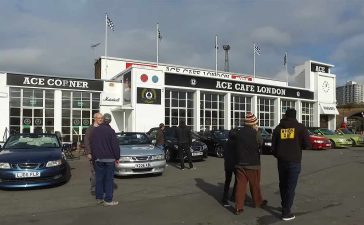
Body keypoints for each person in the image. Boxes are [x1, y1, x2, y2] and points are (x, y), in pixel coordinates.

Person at [272, 108, 310, 221]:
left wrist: (279, 155)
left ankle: (285, 205)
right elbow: (307, 144)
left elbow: (273, 147)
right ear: (295, 116)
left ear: (285, 115)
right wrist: (298, 147)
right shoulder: (300, 128)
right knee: (290, 187)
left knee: (283, 184)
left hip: (281, 161)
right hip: (294, 161)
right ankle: (286, 212)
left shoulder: (278, 128)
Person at [234, 112, 267, 215]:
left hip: (239, 163)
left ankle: (238, 207)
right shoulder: (255, 133)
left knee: (240, 185)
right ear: (253, 123)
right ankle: (258, 202)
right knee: (255, 184)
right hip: (253, 163)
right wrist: (257, 132)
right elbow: (262, 143)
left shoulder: (238, 133)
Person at [91, 113, 120, 206]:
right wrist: (117, 157)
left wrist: (94, 158)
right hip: (109, 159)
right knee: (109, 180)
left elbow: (93, 146)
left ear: (103, 120)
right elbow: (115, 146)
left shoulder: (95, 130)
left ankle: (99, 198)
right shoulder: (111, 131)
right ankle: (108, 200)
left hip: (98, 159)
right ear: (110, 121)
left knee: (99, 179)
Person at [84, 112, 103, 196]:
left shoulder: (103, 127)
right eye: (99, 118)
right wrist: (88, 152)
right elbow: (86, 140)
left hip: (103, 154)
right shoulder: (90, 128)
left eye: (102, 118)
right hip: (93, 154)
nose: (101, 119)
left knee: (102, 172)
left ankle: (101, 187)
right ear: (95, 119)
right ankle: (94, 188)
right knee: (94, 172)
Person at [222, 127, 238, 207]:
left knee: (227, 182)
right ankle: (233, 196)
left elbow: (224, 154)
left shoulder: (226, 143)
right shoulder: (237, 144)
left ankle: (224, 199)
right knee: (237, 181)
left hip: (228, 165)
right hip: (235, 165)